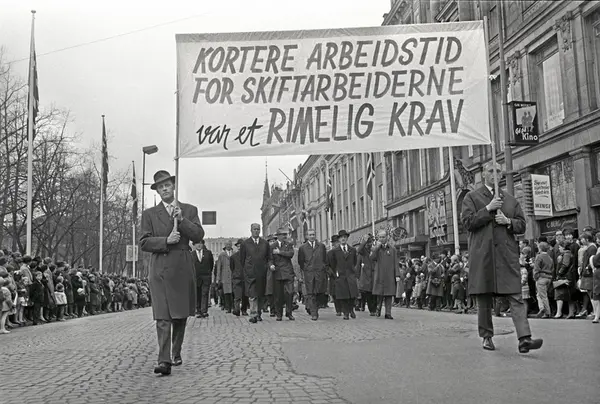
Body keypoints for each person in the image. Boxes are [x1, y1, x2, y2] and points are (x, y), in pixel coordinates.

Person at [461, 161, 543, 353]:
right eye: (491, 171)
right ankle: (486, 336)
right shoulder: (472, 197)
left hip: (506, 256)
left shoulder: (510, 200)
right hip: (484, 255)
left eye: (498, 171)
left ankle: (524, 338)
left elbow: (522, 225)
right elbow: (468, 223)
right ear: (483, 174)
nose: (495, 174)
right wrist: (488, 209)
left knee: (516, 296)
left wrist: (508, 221)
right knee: (484, 298)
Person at [139, 170, 204, 376]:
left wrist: (182, 220)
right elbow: (144, 242)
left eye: (167, 185)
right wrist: (165, 241)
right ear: (157, 191)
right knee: (163, 316)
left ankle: (176, 351)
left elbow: (198, 235)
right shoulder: (149, 214)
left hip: (181, 267)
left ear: (173, 187)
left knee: (180, 315)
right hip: (159, 268)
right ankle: (164, 360)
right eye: (160, 186)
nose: (165, 188)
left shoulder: (189, 210)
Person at [240, 223, 271, 324]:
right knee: (252, 294)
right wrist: (246, 269)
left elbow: (268, 257)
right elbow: (242, 259)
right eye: (254, 229)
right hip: (250, 273)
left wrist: (267, 267)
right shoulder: (245, 244)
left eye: (258, 229)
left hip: (262, 273)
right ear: (251, 230)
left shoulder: (265, 243)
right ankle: (253, 314)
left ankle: (259, 313)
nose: (256, 231)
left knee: (260, 294)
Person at [327, 230, 359, 320]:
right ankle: (346, 313)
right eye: (341, 237)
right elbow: (331, 264)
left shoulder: (352, 250)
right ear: (339, 239)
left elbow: (355, 261)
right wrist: (335, 273)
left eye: (345, 237)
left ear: (347, 238)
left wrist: (353, 271)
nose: (343, 239)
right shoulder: (334, 252)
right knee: (343, 296)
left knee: (352, 295)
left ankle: (351, 309)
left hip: (350, 275)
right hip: (340, 276)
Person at [297, 229, 328, 321]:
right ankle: (314, 313)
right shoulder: (303, 248)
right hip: (309, 273)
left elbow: (325, 259)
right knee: (310, 293)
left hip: (319, 272)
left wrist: (322, 267)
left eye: (313, 234)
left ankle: (316, 307)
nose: (312, 236)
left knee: (319, 292)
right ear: (307, 236)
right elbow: (301, 261)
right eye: (310, 235)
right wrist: (306, 269)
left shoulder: (321, 246)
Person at [371, 229, 400, 319]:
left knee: (389, 295)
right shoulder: (376, 249)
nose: (382, 239)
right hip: (379, 275)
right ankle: (378, 309)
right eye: (380, 237)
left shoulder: (392, 249)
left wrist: (397, 275)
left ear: (387, 237)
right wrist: (376, 248)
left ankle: (388, 313)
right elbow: (372, 258)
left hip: (389, 276)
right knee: (379, 294)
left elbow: (396, 263)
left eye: (383, 237)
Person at [269, 229, 295, 321]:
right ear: (278, 236)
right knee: (278, 295)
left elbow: (291, 254)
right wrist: (271, 265)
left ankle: (289, 313)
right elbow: (270, 258)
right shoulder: (272, 246)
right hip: (278, 273)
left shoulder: (289, 244)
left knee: (290, 293)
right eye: (282, 234)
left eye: (285, 234)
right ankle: (279, 314)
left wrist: (279, 252)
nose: (284, 236)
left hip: (288, 272)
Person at [192, 239, 214, 319]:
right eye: (197, 243)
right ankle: (198, 310)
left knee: (205, 293)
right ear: (194, 245)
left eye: (201, 243)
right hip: (196, 277)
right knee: (197, 294)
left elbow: (211, 264)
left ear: (203, 245)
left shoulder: (208, 253)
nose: (199, 245)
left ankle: (204, 311)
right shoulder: (191, 254)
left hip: (206, 277)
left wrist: (208, 273)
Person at [356, 234, 376, 315]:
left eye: (370, 242)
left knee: (375, 294)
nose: (369, 244)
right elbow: (359, 250)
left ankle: (375, 309)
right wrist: (364, 241)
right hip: (366, 275)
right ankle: (372, 310)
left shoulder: (375, 250)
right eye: (368, 242)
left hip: (375, 275)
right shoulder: (364, 252)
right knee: (368, 294)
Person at [231, 238, 248, 316]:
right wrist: (235, 274)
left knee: (245, 295)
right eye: (238, 246)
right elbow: (232, 267)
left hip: (246, 278)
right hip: (237, 278)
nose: (239, 247)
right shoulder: (233, 257)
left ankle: (244, 310)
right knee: (237, 295)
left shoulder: (248, 256)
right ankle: (237, 309)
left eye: (241, 246)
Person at [216, 241, 234, 314]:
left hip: (233, 276)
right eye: (227, 244)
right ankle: (228, 307)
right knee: (226, 293)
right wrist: (218, 278)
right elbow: (219, 267)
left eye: (229, 244)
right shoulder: (222, 255)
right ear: (225, 245)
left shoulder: (234, 253)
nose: (228, 245)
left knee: (233, 292)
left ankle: (233, 307)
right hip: (225, 276)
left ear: (231, 245)